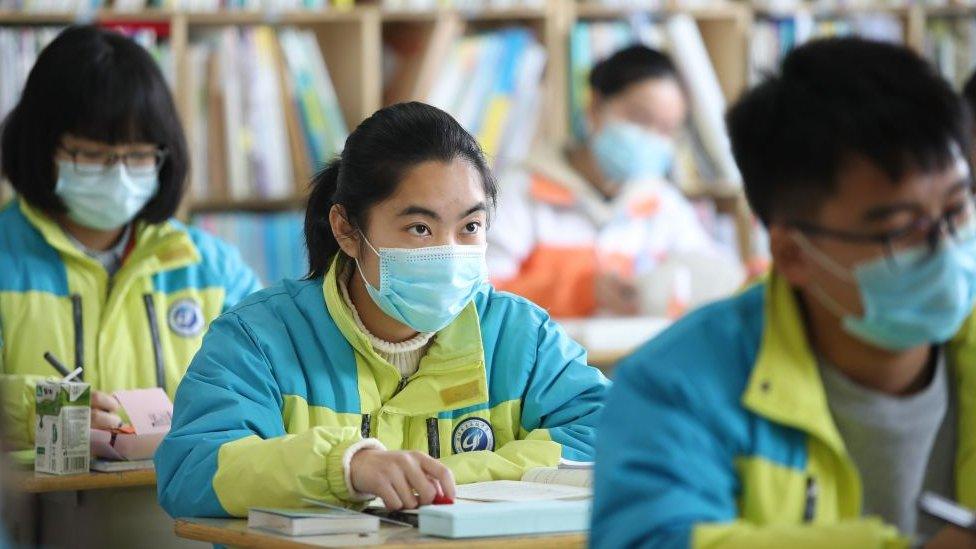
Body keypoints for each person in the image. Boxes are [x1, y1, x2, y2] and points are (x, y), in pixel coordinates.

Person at [591, 38, 976, 549]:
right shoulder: (675, 387)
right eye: (901, 230)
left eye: (956, 212)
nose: (944, 249)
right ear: (794, 254)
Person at [154, 102, 610, 517]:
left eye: (470, 226)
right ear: (347, 230)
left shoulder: (519, 336)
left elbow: (610, 433)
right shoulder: (259, 339)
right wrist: (345, 467)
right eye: (419, 228)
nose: (448, 252)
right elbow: (193, 472)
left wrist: (453, 476)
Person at [0, 26, 261, 448]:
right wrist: (42, 409)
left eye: (138, 155)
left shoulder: (211, 267)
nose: (118, 173)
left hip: (176, 510)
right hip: (32, 512)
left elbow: (274, 383)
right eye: (91, 154)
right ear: (41, 146)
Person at [487, 44, 741, 318]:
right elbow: (484, 299)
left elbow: (710, 271)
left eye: (666, 129)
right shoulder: (520, 192)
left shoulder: (661, 201)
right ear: (595, 106)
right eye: (641, 118)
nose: (652, 139)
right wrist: (581, 291)